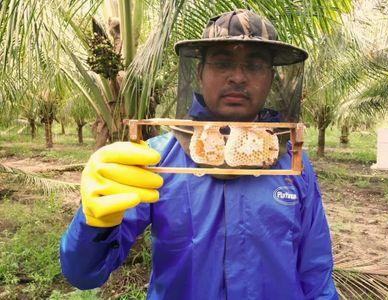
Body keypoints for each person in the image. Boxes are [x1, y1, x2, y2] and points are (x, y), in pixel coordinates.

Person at [60, 9, 338, 300]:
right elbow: (83, 273)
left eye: (254, 66)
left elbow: (316, 272)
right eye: (222, 64)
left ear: (271, 79)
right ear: (199, 73)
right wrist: (93, 221)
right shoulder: (154, 159)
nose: (238, 77)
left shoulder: (292, 162)